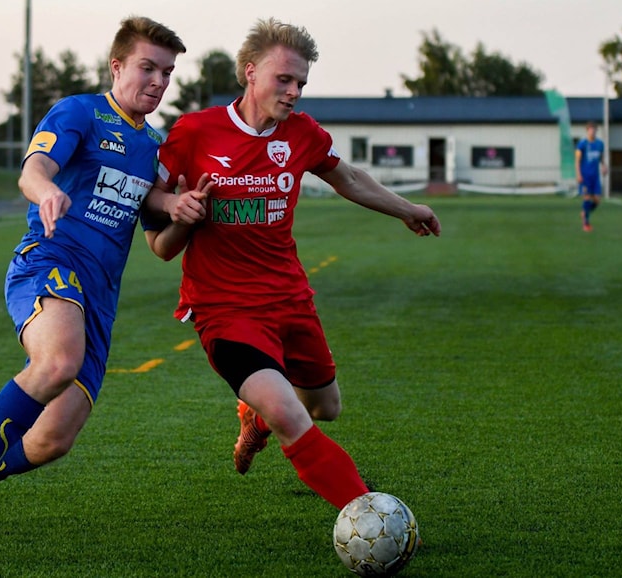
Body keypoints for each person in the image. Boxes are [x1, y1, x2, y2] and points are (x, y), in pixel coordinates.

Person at [0, 16, 187, 542]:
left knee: (53, 439)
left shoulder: (155, 146)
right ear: (117, 66)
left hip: (101, 298)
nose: (158, 81)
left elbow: (161, 244)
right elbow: (33, 170)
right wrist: (48, 191)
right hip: (50, 263)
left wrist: (183, 212)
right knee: (57, 361)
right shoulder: (79, 112)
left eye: (167, 73)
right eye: (147, 68)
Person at [144, 18, 440, 512]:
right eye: (284, 79)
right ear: (250, 72)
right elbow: (152, 207)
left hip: (289, 298)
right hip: (224, 308)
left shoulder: (302, 132)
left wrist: (407, 209)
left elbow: (348, 178)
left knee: (325, 407)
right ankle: (369, 516)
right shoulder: (195, 131)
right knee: (288, 412)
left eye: (301, 82)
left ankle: (254, 418)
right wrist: (179, 208)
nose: (294, 92)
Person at [575, 121, 606, 232]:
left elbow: (601, 157)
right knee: (587, 197)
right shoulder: (582, 144)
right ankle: (586, 224)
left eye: (594, 130)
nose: (592, 132)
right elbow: (577, 161)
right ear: (587, 131)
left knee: (597, 200)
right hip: (585, 176)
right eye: (590, 130)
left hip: (595, 176)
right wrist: (578, 174)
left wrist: (604, 166)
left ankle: (585, 212)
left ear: (596, 131)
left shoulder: (600, 144)